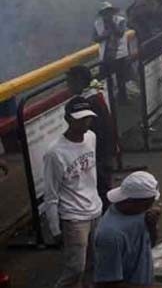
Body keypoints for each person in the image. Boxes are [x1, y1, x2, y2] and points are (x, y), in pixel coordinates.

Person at [43, 97, 102, 288]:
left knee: (95, 263)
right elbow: (51, 194)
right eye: (80, 119)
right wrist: (55, 228)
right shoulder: (54, 153)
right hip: (74, 218)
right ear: (68, 119)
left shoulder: (91, 137)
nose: (85, 123)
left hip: (95, 210)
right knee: (75, 269)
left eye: (88, 118)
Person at [93, 171, 161, 288]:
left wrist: (152, 226)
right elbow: (107, 284)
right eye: (148, 204)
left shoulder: (139, 211)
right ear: (130, 201)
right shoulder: (110, 235)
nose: (150, 208)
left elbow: (148, 244)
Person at [67, 66, 118, 212]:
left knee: (101, 187)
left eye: (70, 82)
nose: (68, 86)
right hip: (104, 150)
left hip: (99, 153)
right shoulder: (95, 95)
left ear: (79, 81)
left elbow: (97, 131)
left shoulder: (89, 102)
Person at [93, 1, 130, 103]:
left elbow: (120, 33)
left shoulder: (120, 20)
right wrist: (104, 35)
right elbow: (95, 38)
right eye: (105, 12)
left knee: (120, 78)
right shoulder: (98, 23)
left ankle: (122, 99)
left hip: (119, 54)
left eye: (108, 12)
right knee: (104, 79)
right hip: (105, 55)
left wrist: (112, 24)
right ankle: (108, 99)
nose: (107, 14)